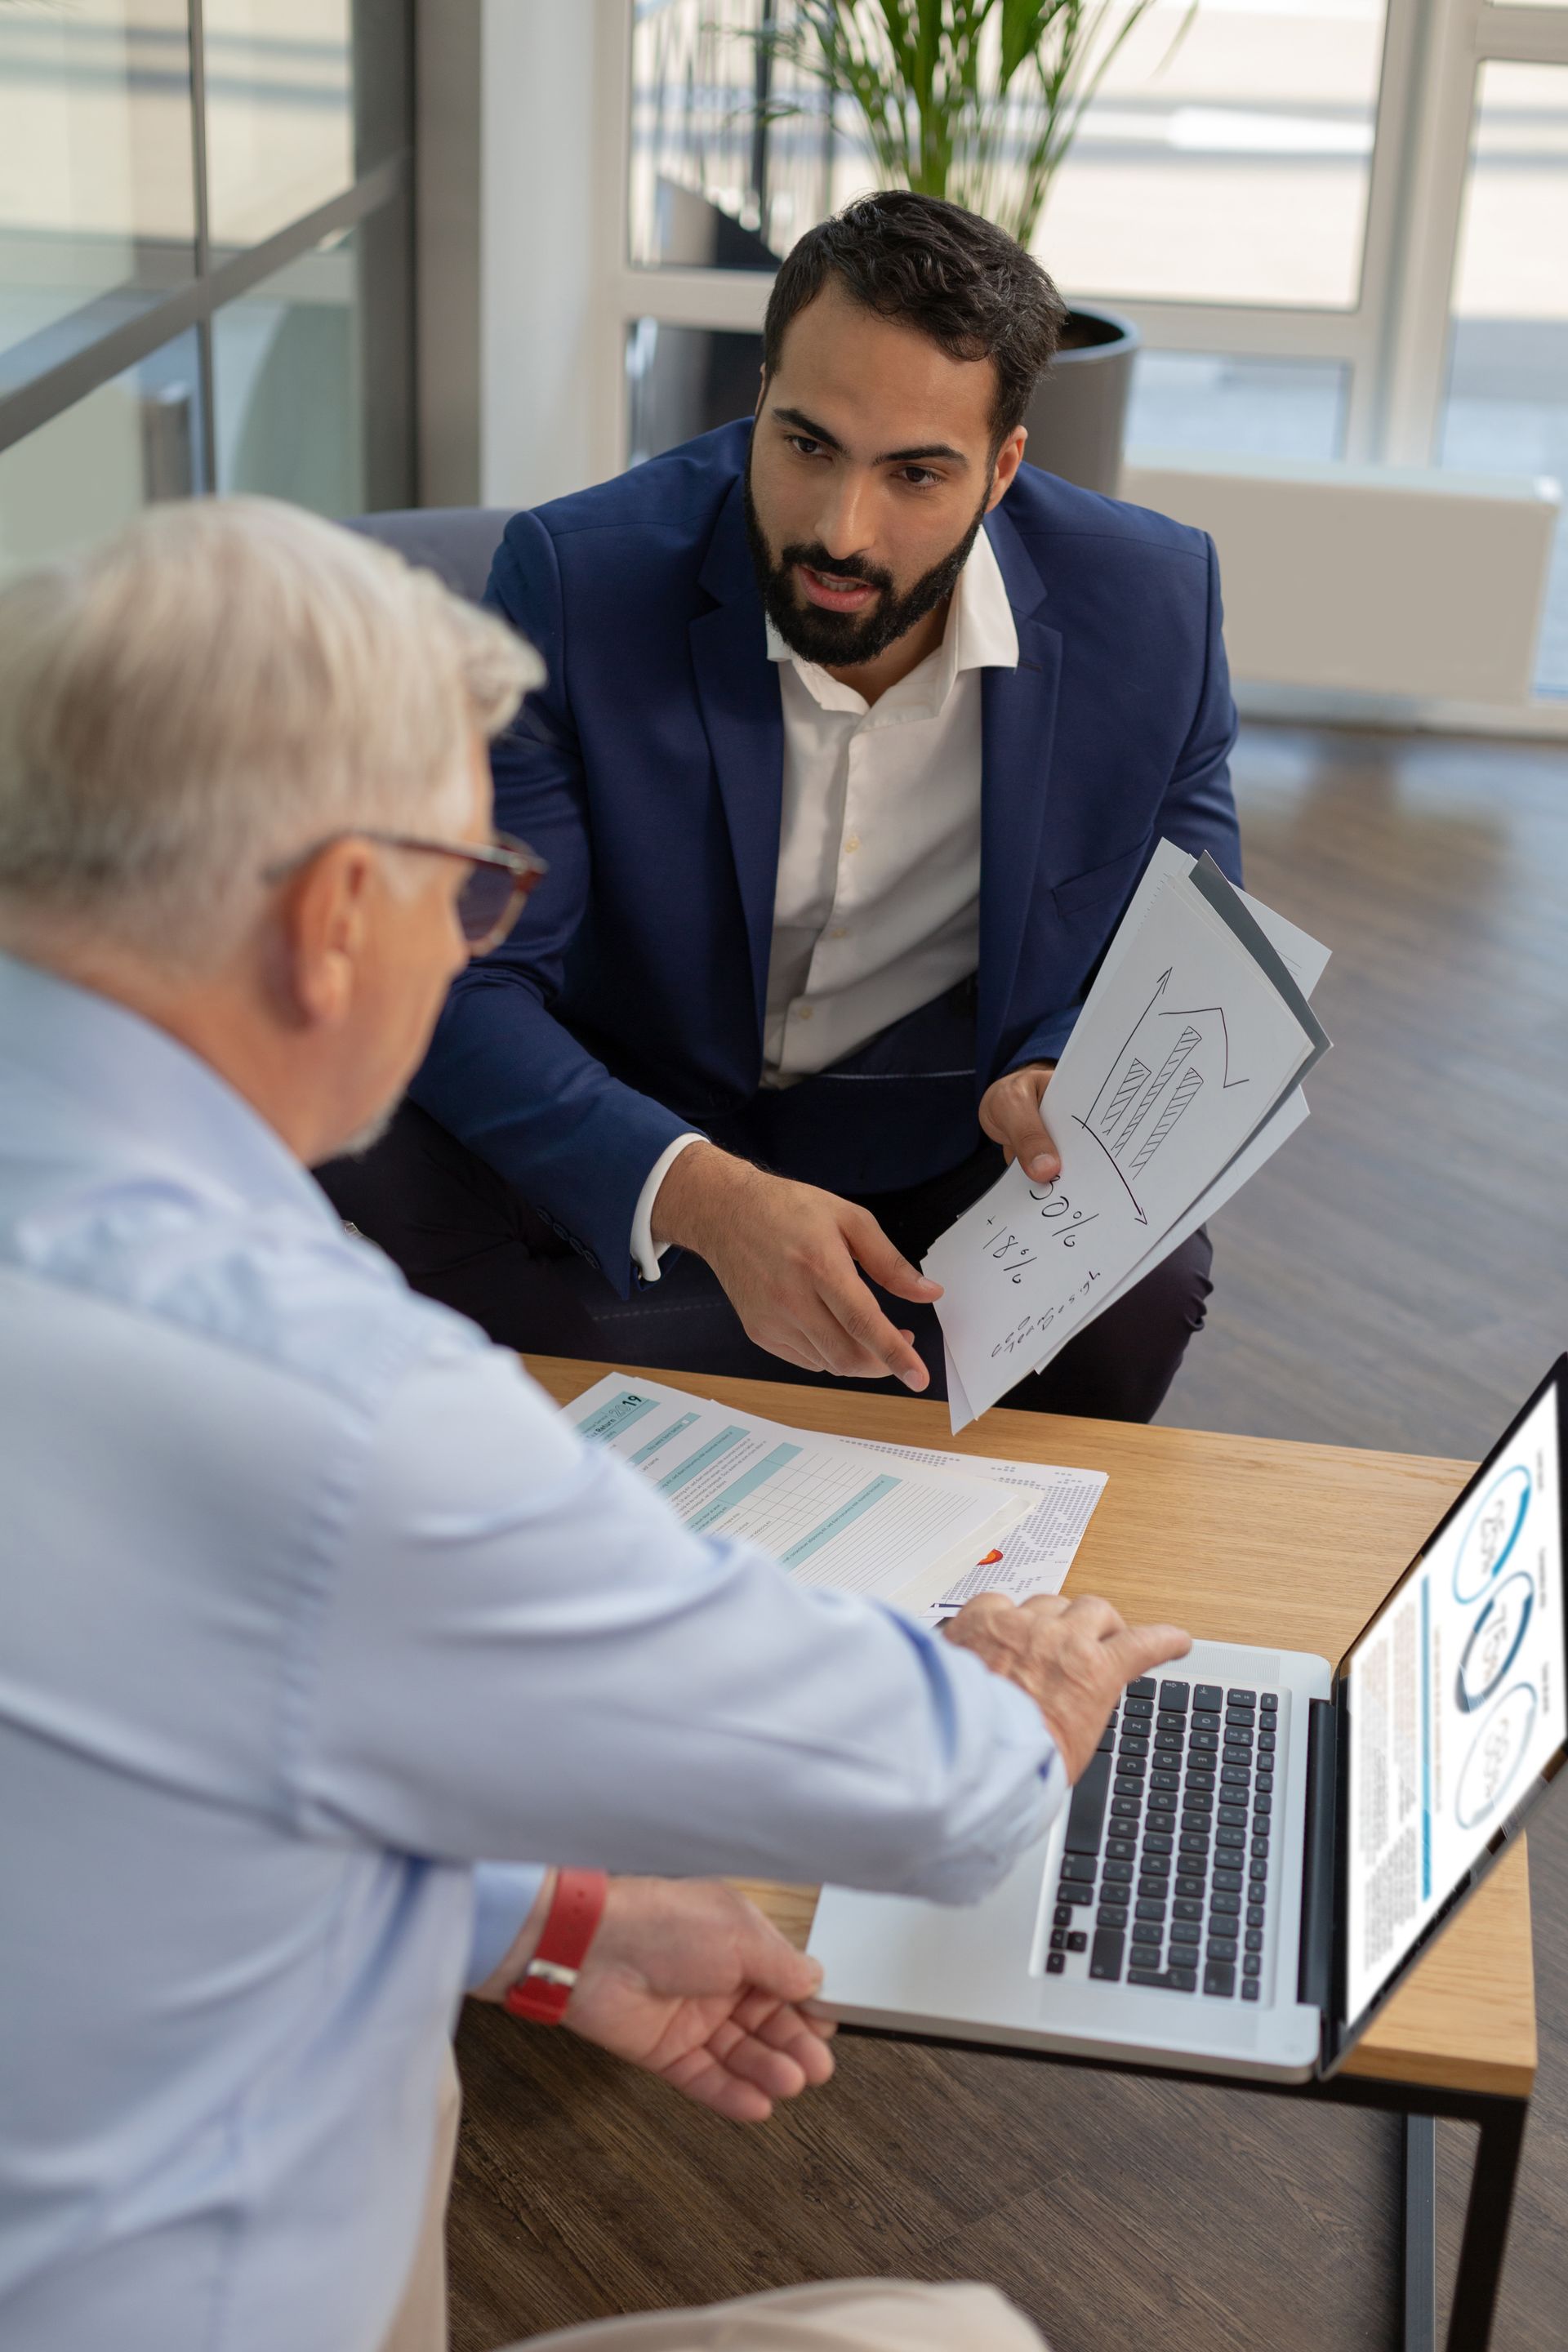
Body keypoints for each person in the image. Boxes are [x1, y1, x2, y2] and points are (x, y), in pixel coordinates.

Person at [0, 499, 1187, 2352]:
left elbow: (113, 1755)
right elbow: (940, 1793)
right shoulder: (329, 1409)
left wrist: (541, 1921)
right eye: (471, 899)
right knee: (957, 2338)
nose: (469, 952)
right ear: (335, 916)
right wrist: (1025, 1695)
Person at [321, 190, 1240, 1424]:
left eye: (917, 473)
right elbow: (463, 968)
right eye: (806, 445)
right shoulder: (575, 581)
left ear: (1004, 466)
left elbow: (1187, 940)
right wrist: (703, 1194)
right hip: (641, 1107)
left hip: (944, 1138)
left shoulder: (1155, 603)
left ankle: (985, 1584)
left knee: (1147, 1275)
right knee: (397, 1178)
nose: (841, 531)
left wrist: (1064, 1055)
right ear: (758, 396)